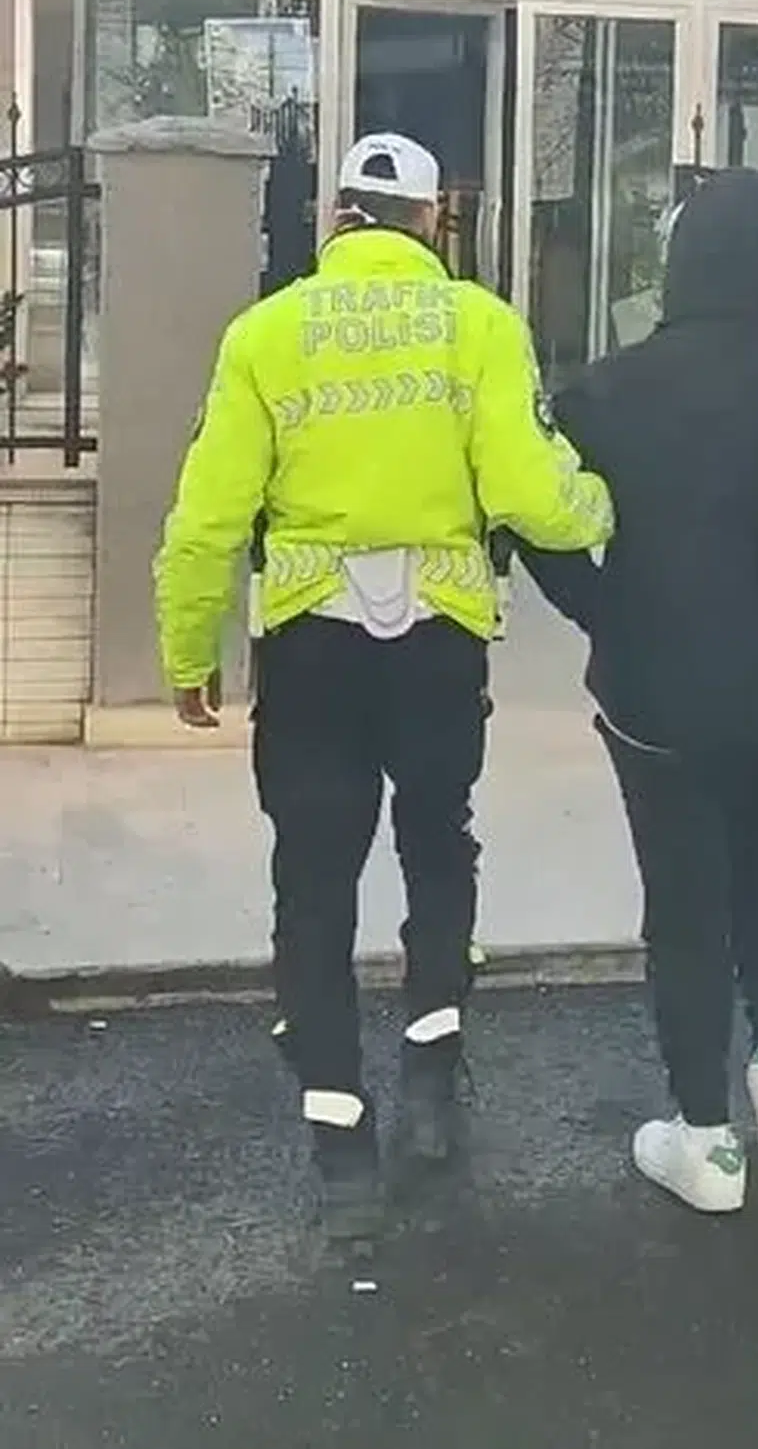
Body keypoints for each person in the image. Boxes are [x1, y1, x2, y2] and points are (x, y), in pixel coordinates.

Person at [154, 132, 612, 1244]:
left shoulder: (265, 334)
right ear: (431, 221)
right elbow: (529, 492)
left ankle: (338, 1138)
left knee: (314, 877)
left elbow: (208, 515)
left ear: (337, 218)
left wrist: (187, 651)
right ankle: (432, 1079)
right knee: (437, 847)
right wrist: (597, 505)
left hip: (311, 645)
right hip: (437, 645)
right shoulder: (479, 324)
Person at [517, 167, 758, 1215]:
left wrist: (601, 610)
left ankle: (704, 1137)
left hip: (652, 696)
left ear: (678, 262)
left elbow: (531, 515)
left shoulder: (602, 394)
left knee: (682, 907)